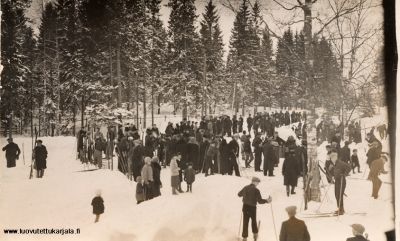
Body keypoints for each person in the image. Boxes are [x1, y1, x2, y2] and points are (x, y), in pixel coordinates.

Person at [238, 177, 272, 241]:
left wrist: (245, 195)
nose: (258, 184)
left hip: (245, 207)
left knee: (245, 222)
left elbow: (239, 194)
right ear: (254, 182)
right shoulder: (256, 190)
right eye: (258, 182)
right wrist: (267, 201)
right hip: (252, 208)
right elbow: (260, 201)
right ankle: (255, 235)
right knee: (253, 221)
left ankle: (244, 238)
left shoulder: (245, 187)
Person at [327, 150, 351, 215]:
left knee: (339, 195)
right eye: (331, 158)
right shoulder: (333, 164)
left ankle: (341, 210)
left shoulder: (340, 163)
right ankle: (340, 208)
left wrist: (344, 174)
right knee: (336, 195)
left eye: (333, 157)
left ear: (335, 157)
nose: (332, 159)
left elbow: (349, 167)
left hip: (342, 181)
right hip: (337, 181)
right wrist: (330, 169)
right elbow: (332, 172)